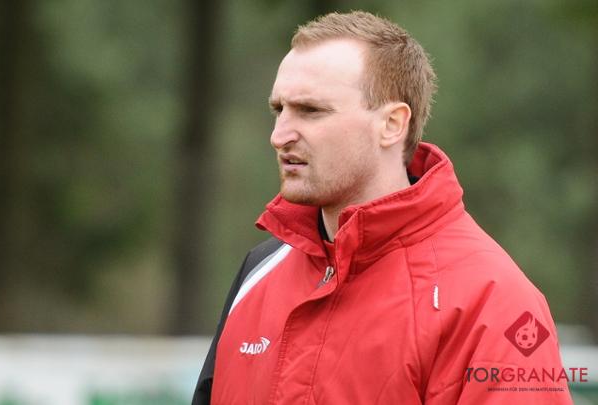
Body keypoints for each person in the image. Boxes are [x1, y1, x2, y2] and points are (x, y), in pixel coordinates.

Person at [193, 11, 573, 404]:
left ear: (392, 124)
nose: (279, 135)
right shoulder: (259, 271)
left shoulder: (493, 300)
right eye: (279, 110)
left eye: (311, 111)